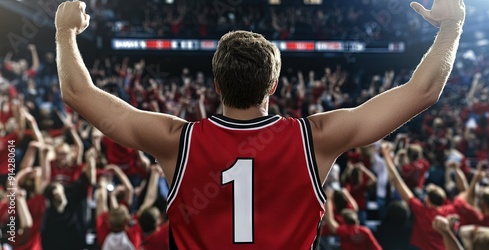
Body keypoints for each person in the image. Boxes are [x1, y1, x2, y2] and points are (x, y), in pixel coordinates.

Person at [54, 0, 466, 248]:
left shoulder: (176, 140)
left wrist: (64, 32)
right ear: (273, 84)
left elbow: (78, 93)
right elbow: (423, 91)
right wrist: (452, 25)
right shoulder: (316, 138)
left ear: (215, 85)